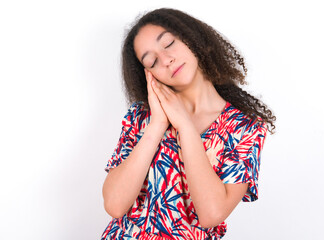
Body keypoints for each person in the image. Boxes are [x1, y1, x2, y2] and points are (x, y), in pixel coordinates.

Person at [101, 8, 276, 240]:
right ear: (149, 75)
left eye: (169, 43)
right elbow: (114, 205)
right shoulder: (141, 118)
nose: (166, 60)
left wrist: (185, 125)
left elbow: (212, 214)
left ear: (191, 37)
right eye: (152, 61)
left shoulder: (245, 128)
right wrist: (157, 125)